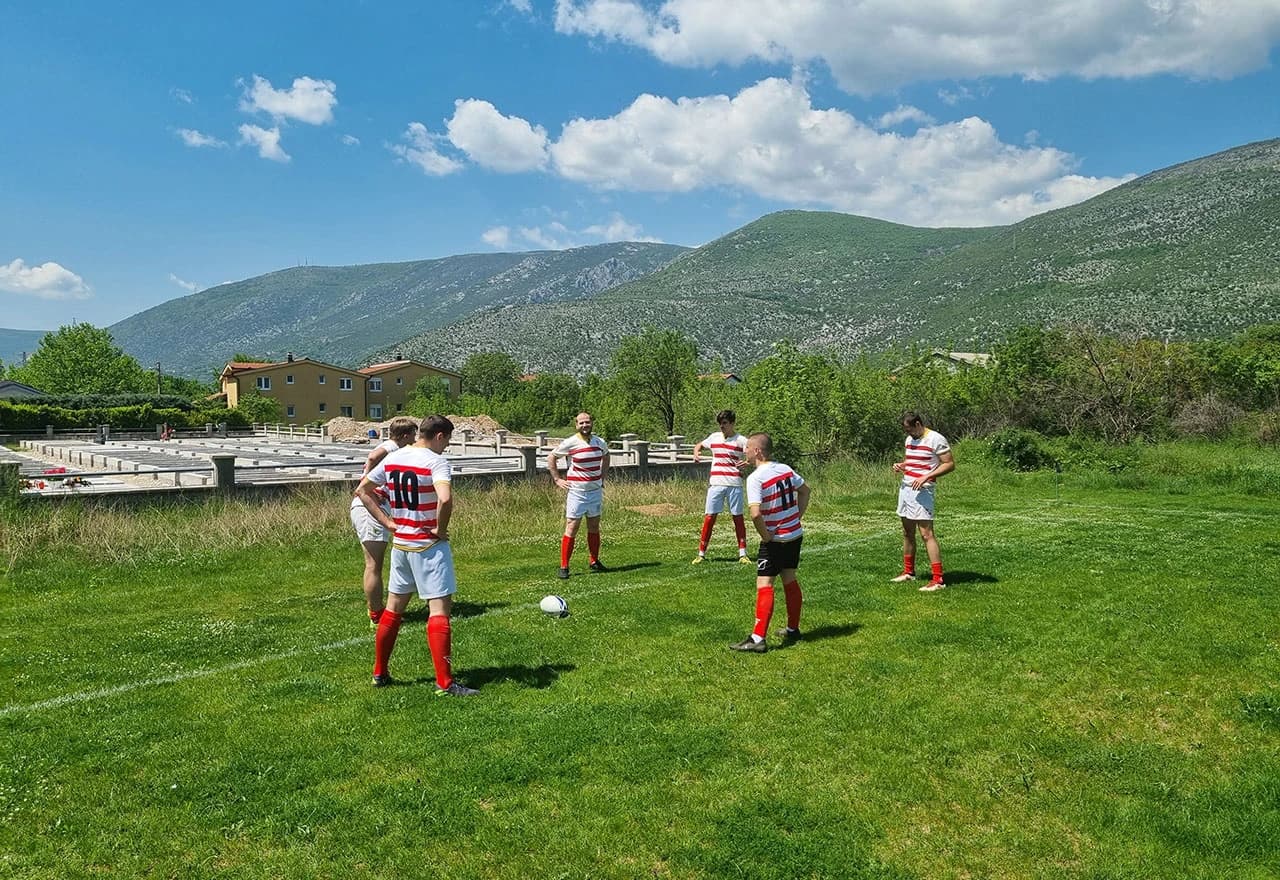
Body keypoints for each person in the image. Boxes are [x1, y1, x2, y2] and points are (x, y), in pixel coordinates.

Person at [354, 415, 478, 696]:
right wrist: (440, 529)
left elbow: (362, 490)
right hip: (428, 546)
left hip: (401, 544)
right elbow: (445, 499)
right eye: (447, 441)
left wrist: (387, 523)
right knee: (439, 610)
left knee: (393, 610)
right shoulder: (436, 462)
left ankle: (380, 672)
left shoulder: (395, 458)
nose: (446, 448)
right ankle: (445, 683)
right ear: (440, 436)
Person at [731, 432, 811, 653]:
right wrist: (796, 517)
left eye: (747, 447)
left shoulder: (756, 478)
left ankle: (758, 639)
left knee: (765, 584)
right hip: (794, 535)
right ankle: (793, 629)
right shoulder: (785, 468)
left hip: (775, 539)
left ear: (757, 451)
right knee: (789, 578)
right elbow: (805, 491)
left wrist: (766, 537)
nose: (744, 451)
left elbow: (755, 514)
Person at [349, 417, 419, 627]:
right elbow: (372, 457)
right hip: (369, 508)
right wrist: (365, 484)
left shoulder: (397, 450)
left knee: (377, 564)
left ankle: (379, 609)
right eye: (413, 435)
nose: (415, 439)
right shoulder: (391, 446)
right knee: (373, 565)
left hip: (374, 505)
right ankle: (376, 615)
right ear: (406, 435)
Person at [891, 412, 955, 592]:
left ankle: (938, 579)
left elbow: (949, 464)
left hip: (923, 491)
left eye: (910, 429)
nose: (909, 434)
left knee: (926, 534)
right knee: (907, 531)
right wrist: (901, 466)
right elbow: (911, 461)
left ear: (918, 424)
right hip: (906, 488)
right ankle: (908, 572)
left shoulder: (936, 439)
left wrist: (927, 476)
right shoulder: (909, 440)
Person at [548, 411, 610, 579]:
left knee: (594, 526)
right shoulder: (571, 442)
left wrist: (603, 476)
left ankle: (594, 561)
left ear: (592, 423)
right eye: (581, 423)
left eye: (587, 422)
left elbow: (606, 456)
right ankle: (564, 566)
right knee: (572, 527)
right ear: (576, 425)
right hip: (577, 492)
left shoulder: (599, 442)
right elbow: (552, 457)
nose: (585, 425)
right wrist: (557, 479)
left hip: (595, 491)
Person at [691, 410, 751, 564]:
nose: (722, 426)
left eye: (724, 423)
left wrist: (748, 462)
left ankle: (742, 554)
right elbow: (699, 445)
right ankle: (701, 553)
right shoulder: (714, 437)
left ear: (732, 423)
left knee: (737, 518)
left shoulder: (741, 440)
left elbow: (755, 452)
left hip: (734, 484)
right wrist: (696, 453)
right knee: (710, 517)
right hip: (716, 484)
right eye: (720, 423)